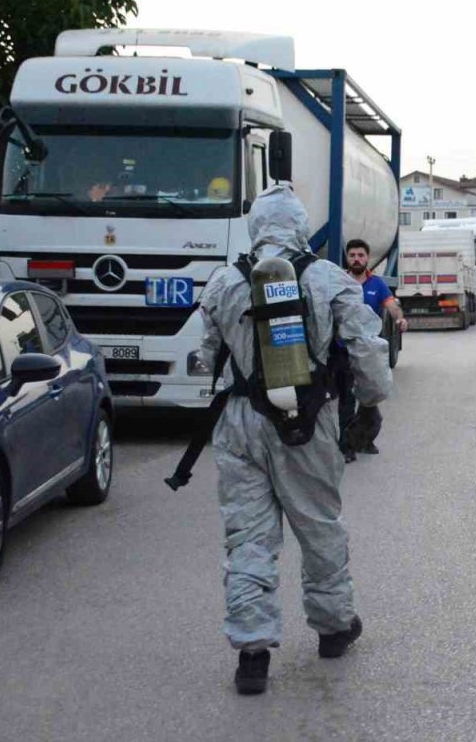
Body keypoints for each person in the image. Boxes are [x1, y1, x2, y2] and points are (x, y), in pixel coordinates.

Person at [198, 183, 392, 695]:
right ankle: (333, 628)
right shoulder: (328, 278)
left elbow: (205, 357)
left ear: (257, 227)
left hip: (239, 423)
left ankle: (253, 653)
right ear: (301, 227)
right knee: (319, 526)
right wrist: (371, 401)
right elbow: (368, 348)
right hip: (308, 421)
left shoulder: (223, 283)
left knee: (248, 536)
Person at [335, 238, 407, 462]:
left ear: (367, 259)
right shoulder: (339, 281)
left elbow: (391, 306)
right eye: (352, 255)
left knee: (370, 399)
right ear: (347, 258)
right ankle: (346, 447)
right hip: (342, 350)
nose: (356, 259)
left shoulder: (377, 284)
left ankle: (364, 439)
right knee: (346, 400)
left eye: (361, 255)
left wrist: (400, 319)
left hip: (368, 353)